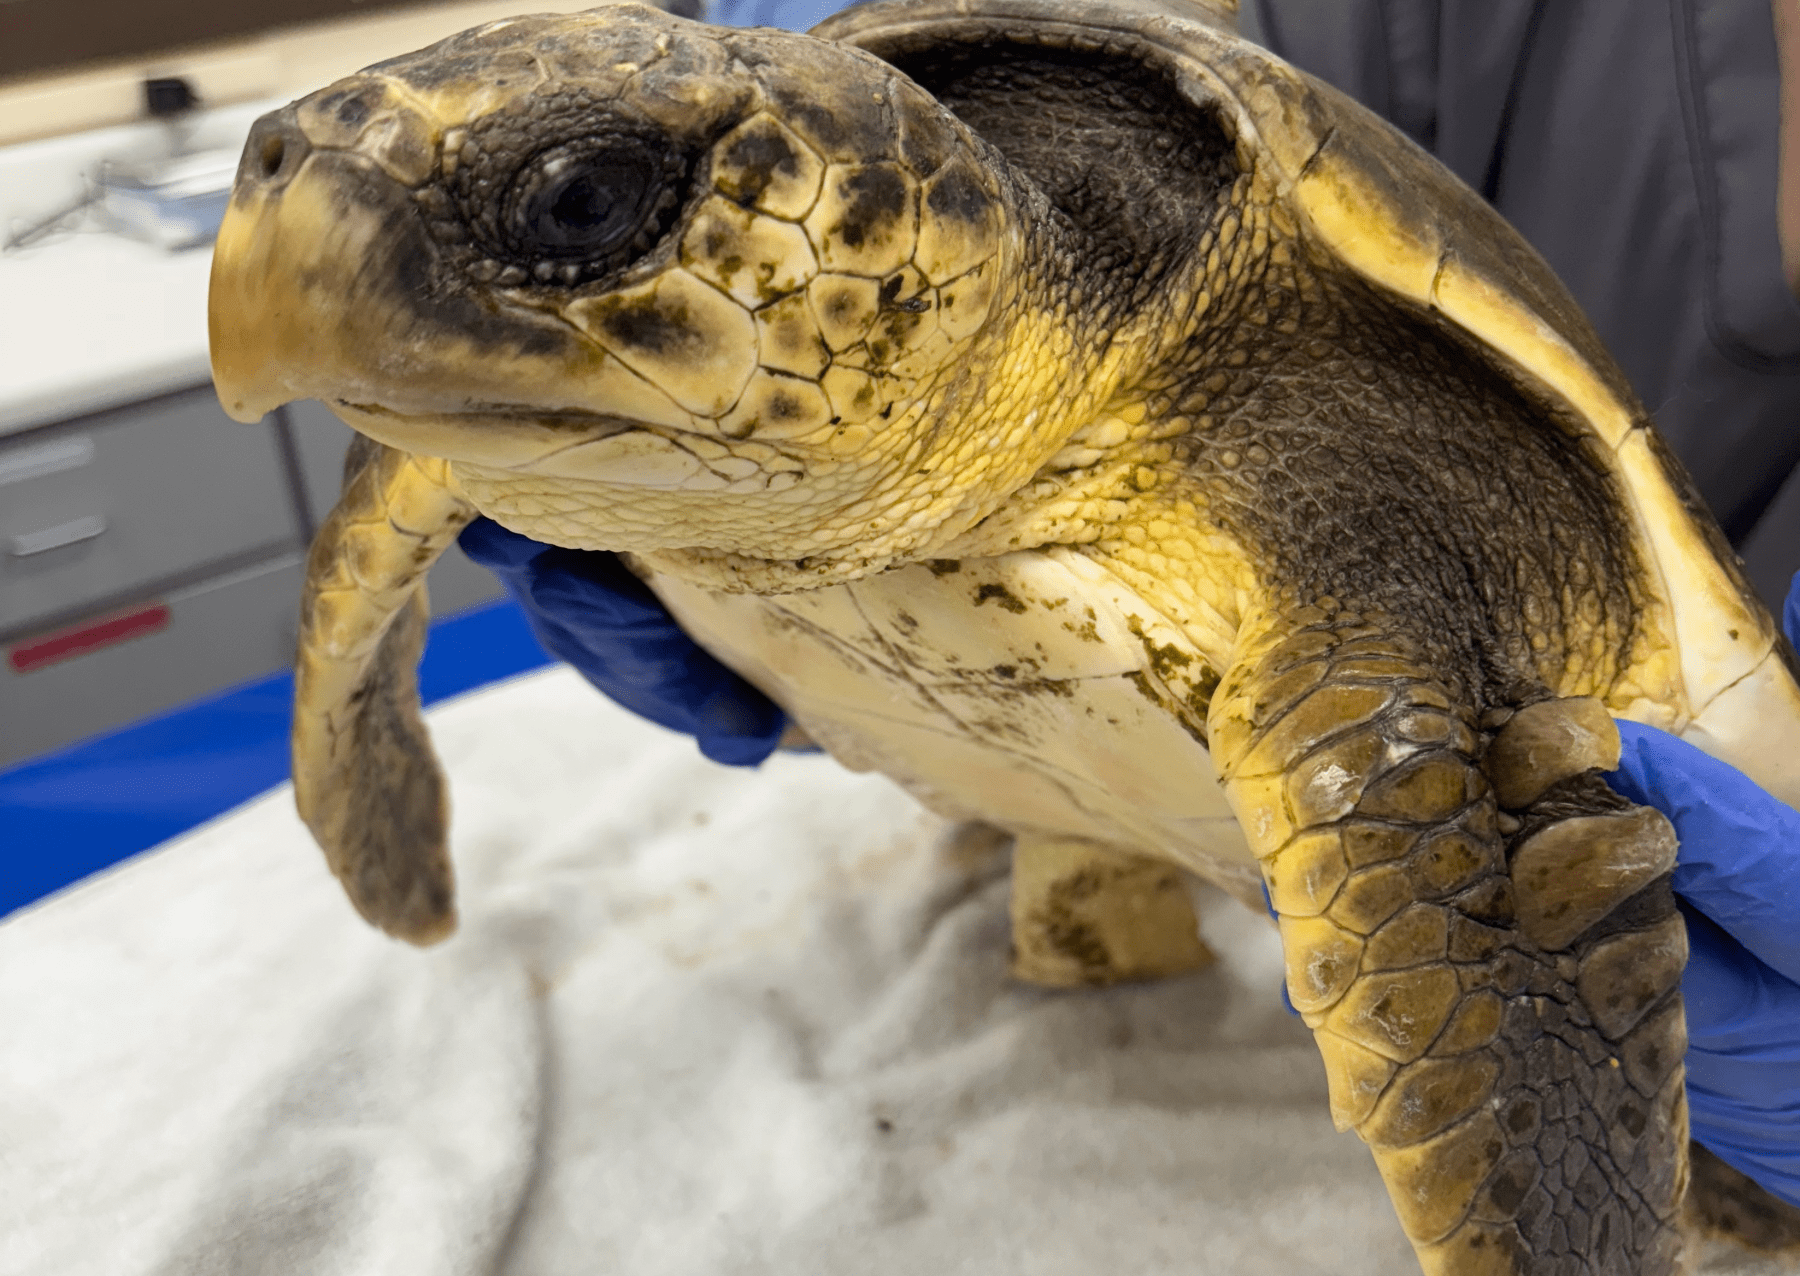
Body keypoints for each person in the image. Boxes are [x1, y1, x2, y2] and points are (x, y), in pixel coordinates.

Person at [459, 0, 1800, 1211]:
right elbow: (1138, 110)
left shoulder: (1342, 628)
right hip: (1037, 643)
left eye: (588, 212)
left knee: (1392, 799)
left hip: (1422, 636)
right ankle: (1093, 868)